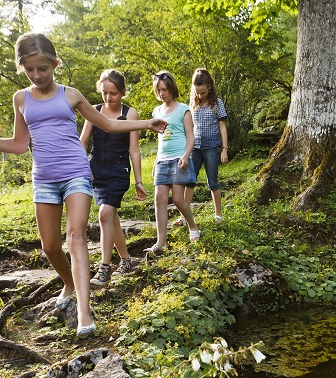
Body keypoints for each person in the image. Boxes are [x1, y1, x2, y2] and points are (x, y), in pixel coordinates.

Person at [0, 33, 165, 337]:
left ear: (55, 64)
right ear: (22, 68)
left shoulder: (71, 95)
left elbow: (107, 124)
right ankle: (68, 282)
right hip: (44, 179)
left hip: (77, 173)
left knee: (75, 237)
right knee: (50, 246)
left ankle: (83, 311)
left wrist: (146, 124)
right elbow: (18, 144)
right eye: (30, 70)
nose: (38, 75)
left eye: (43, 68)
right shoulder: (21, 99)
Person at [80, 69, 145, 287]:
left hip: (119, 170)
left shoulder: (131, 114)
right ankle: (126, 260)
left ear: (122, 92)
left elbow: (134, 149)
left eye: (113, 93)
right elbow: (83, 142)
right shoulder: (94, 110)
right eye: (104, 93)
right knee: (111, 216)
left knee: (105, 213)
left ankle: (104, 268)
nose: (108, 98)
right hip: (96, 169)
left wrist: (139, 181)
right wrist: (83, 167)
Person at [146, 70, 200, 253]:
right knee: (159, 199)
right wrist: (155, 162)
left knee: (178, 199)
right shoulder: (156, 111)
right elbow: (160, 140)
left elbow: (191, 137)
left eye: (165, 89)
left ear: (172, 89)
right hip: (162, 161)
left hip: (179, 159)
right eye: (159, 90)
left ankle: (192, 226)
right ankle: (161, 241)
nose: (162, 93)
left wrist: (186, 156)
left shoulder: (183, 109)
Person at [175, 68, 228, 226]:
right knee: (190, 181)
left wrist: (224, 148)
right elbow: (188, 126)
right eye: (197, 92)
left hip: (211, 147)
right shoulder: (192, 103)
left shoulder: (217, 103)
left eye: (203, 92)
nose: (200, 95)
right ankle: (184, 217)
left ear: (209, 87)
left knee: (212, 181)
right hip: (195, 147)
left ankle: (218, 215)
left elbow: (223, 127)